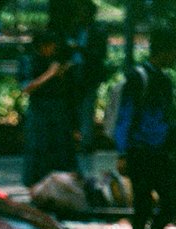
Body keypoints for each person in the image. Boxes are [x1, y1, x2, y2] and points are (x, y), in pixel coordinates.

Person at [114, 26, 176, 229]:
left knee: (169, 204)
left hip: (159, 152)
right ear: (164, 51)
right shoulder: (138, 78)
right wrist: (122, 152)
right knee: (142, 207)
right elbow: (125, 117)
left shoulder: (163, 80)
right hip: (139, 151)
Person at [19, 28, 79, 188]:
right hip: (39, 109)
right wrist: (49, 74)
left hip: (58, 109)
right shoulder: (29, 60)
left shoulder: (57, 60)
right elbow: (26, 88)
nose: (52, 50)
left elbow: (70, 92)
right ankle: (35, 184)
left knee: (61, 148)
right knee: (38, 147)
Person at [68, 0, 108, 176]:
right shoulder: (75, 28)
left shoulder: (98, 31)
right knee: (75, 110)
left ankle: (86, 144)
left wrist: (80, 48)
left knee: (86, 110)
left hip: (89, 75)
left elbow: (99, 54)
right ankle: (75, 141)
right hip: (74, 74)